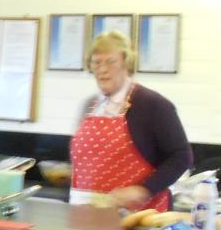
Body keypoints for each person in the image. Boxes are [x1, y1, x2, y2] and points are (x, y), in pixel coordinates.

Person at [70, 30, 191, 211]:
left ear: (126, 63)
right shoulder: (89, 105)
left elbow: (181, 156)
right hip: (86, 212)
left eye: (110, 62)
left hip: (138, 215)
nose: (102, 69)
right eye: (96, 62)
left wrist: (144, 189)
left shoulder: (152, 104)